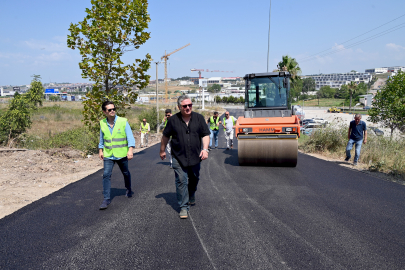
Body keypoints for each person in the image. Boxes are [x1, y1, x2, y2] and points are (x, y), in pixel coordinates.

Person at [160, 95, 210, 219]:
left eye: (190, 105)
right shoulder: (173, 120)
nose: (188, 108)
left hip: (195, 156)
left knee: (194, 178)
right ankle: (183, 206)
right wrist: (162, 151)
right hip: (178, 156)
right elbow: (165, 136)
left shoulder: (199, 118)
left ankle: (191, 193)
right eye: (185, 106)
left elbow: (205, 134)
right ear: (179, 107)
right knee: (181, 180)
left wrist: (205, 149)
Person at [99, 101, 135, 210]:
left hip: (122, 154)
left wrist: (130, 150)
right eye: (109, 109)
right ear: (105, 112)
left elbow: (130, 137)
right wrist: (100, 150)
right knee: (106, 174)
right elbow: (102, 138)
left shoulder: (123, 121)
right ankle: (106, 199)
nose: (112, 111)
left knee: (125, 172)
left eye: (113, 108)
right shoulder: (102, 123)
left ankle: (128, 188)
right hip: (109, 154)